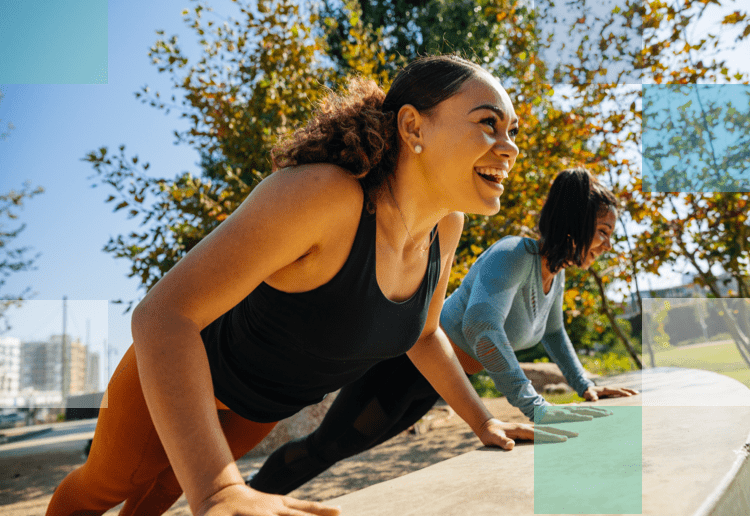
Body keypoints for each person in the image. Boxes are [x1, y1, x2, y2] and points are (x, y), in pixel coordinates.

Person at [47, 55, 563, 516]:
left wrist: (482, 422)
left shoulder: (445, 227)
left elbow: (426, 336)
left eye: (512, 130)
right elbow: (162, 316)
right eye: (489, 124)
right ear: (412, 126)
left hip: (258, 408)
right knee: (105, 488)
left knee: (160, 493)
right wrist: (218, 489)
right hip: (175, 372)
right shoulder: (322, 195)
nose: (510, 146)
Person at [247, 167, 639, 496]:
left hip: (439, 382)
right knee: (329, 446)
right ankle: (247, 494)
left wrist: (584, 383)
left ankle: (253, 497)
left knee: (342, 447)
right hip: (404, 367)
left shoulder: (555, 275)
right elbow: (482, 328)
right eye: (603, 231)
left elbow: (554, 333)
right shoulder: (515, 255)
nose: (607, 243)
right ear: (577, 222)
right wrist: (535, 407)